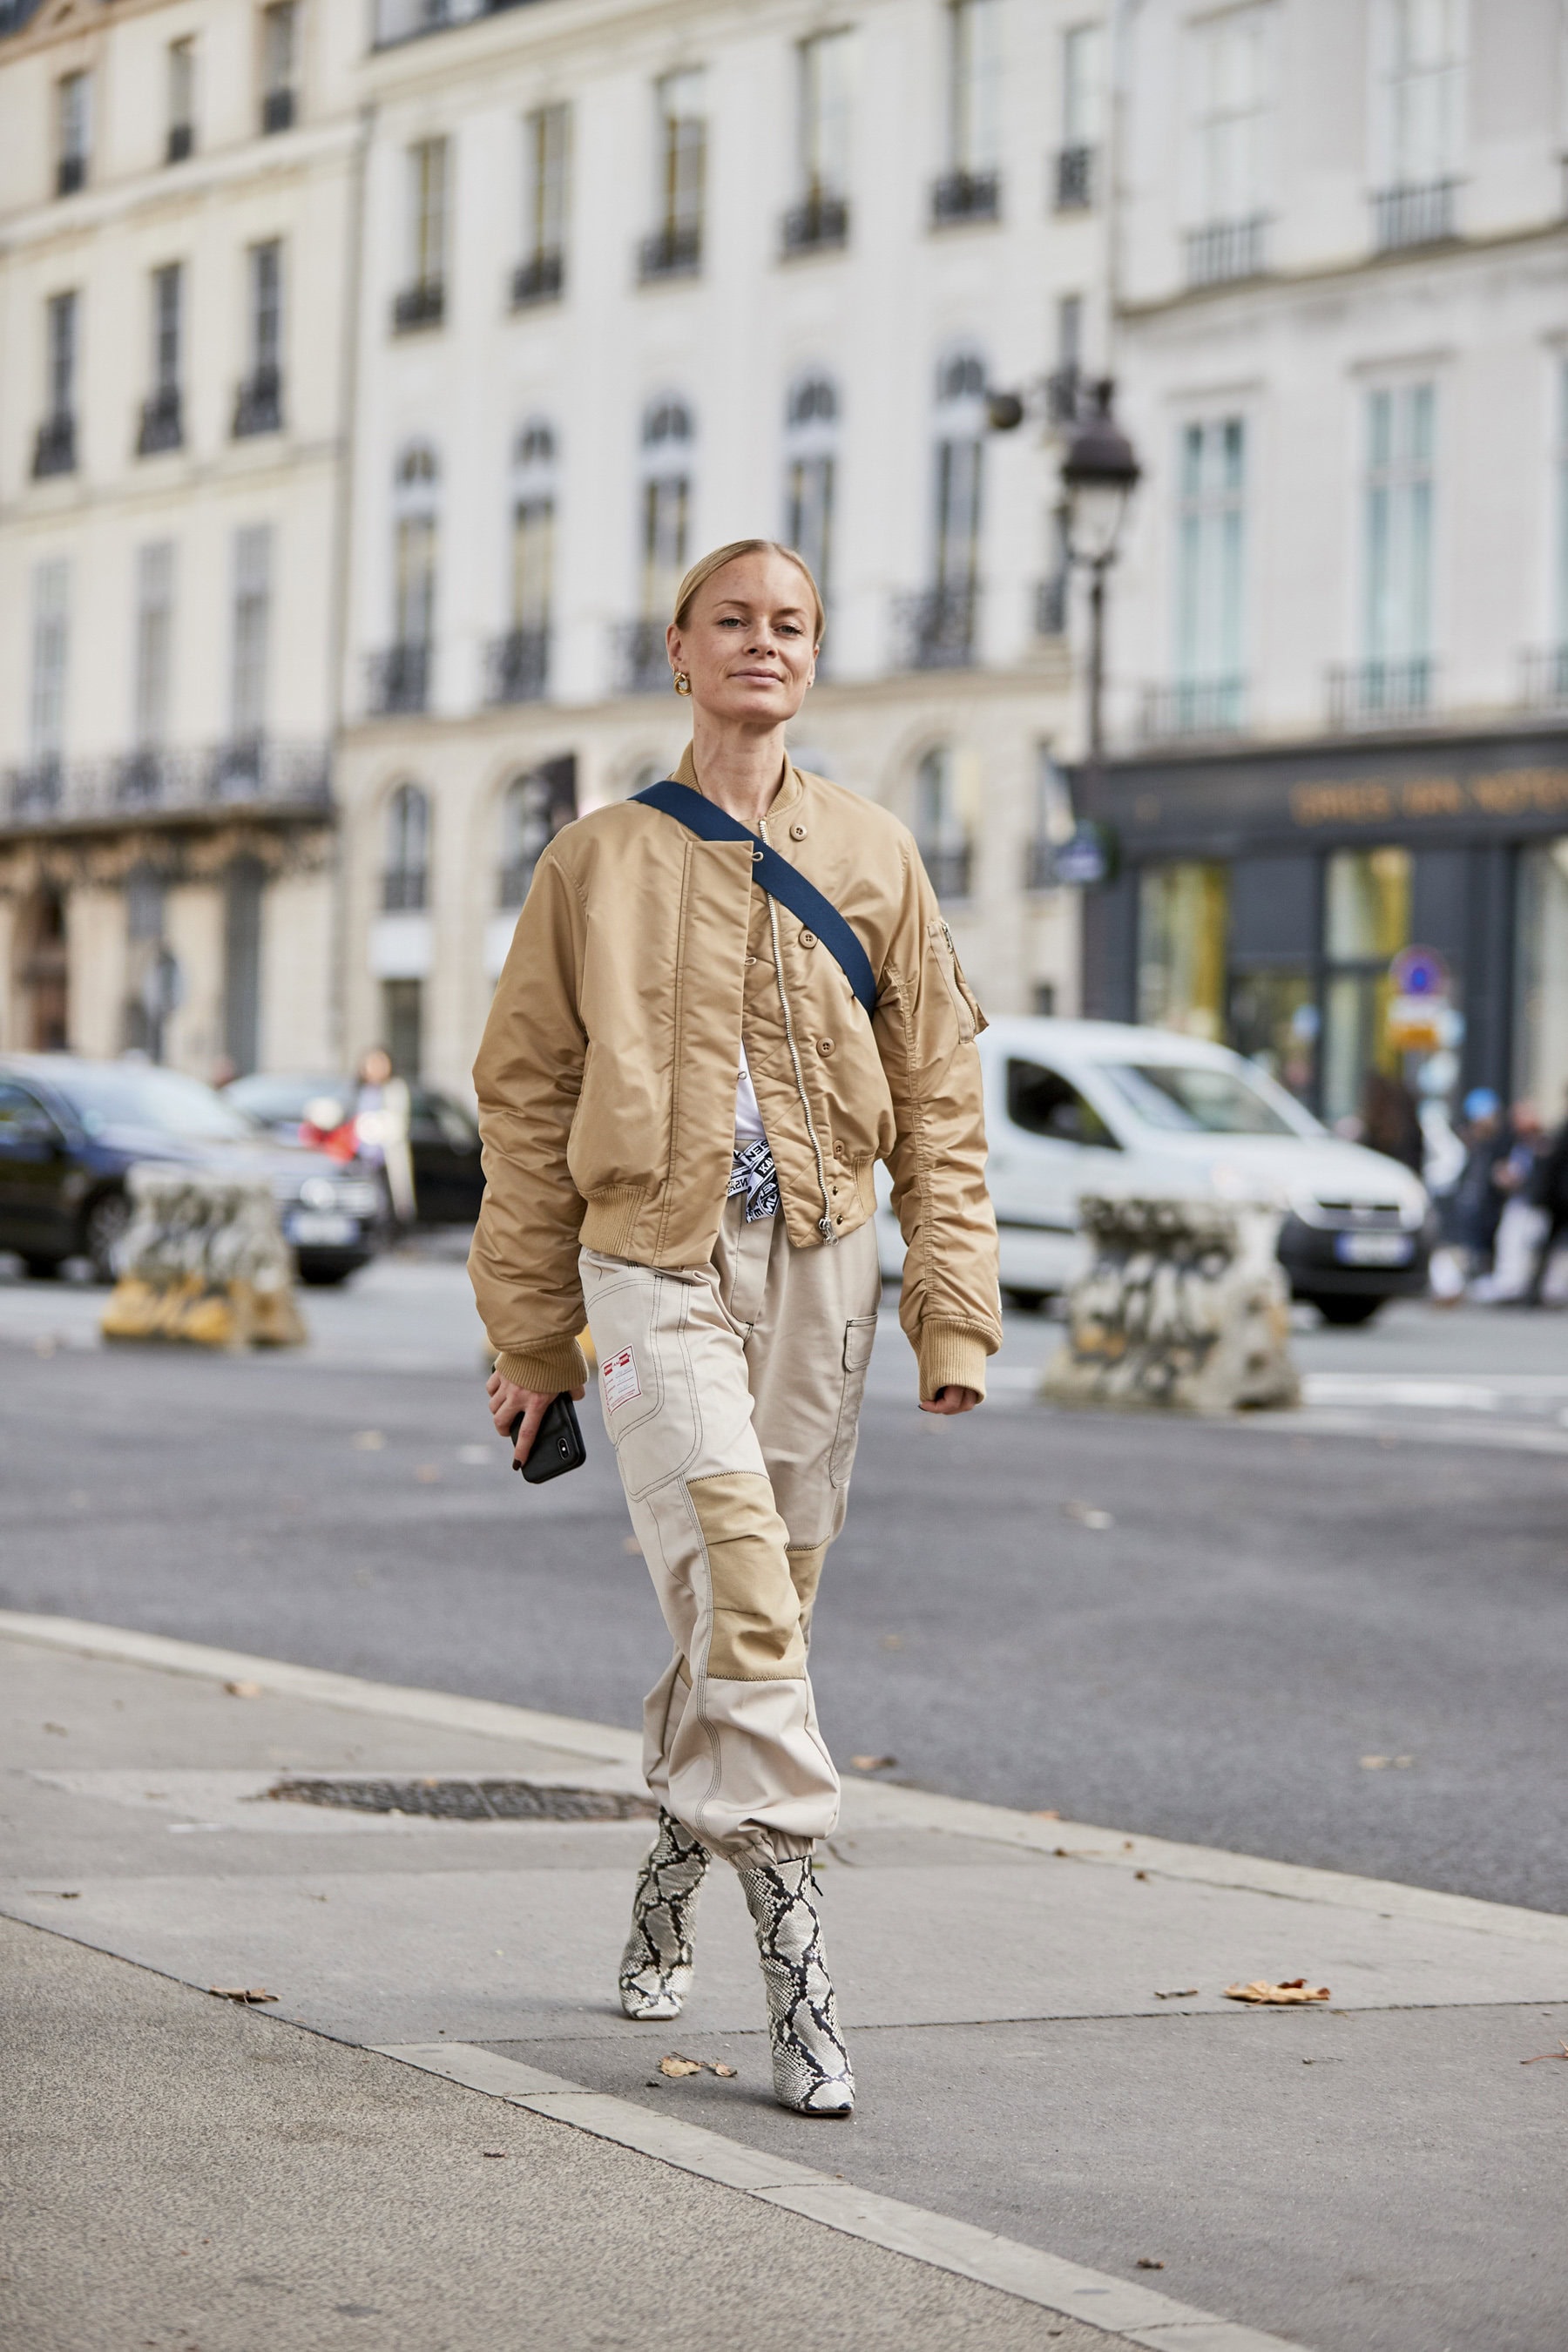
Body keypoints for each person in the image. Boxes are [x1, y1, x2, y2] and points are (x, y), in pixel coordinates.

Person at [470, 539, 1000, 2116]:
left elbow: (941, 1095)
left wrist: (949, 1313)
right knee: (744, 1590)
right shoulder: (594, 862)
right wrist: (530, 1335)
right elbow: (525, 1104)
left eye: (792, 625)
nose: (763, 645)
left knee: (755, 1597)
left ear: (812, 660)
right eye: (733, 622)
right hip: (653, 1264)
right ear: (680, 652)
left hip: (824, 1272)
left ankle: (664, 1877)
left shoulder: (876, 851)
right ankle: (797, 1948)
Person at [353, 1046, 415, 1223]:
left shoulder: (394, 1089)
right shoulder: (359, 1091)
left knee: (387, 1200)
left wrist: (377, 1127)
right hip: (361, 1154)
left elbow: (399, 1122)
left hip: (385, 1155)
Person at [1522, 1090, 1568, 1307]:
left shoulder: (1561, 1132)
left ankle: (1535, 1289)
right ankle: (1534, 1289)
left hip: (1559, 1197)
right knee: (1547, 1245)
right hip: (1559, 1199)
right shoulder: (1560, 1130)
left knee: (1547, 1245)